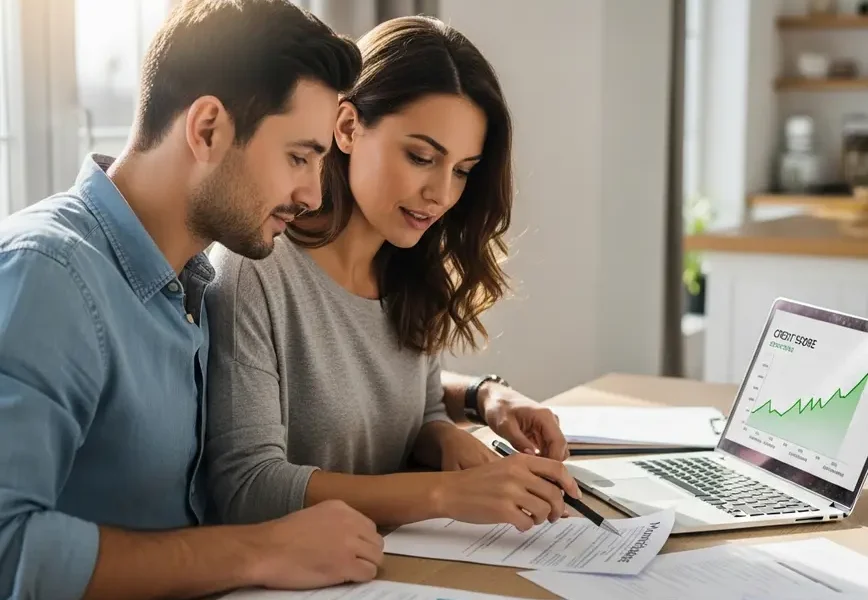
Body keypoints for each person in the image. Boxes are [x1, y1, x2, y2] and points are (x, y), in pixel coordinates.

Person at [0, 2, 388, 599]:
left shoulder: (192, 286)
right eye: (299, 157)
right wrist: (262, 550)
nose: (312, 193)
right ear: (207, 128)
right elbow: (7, 550)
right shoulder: (49, 275)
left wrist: (472, 394)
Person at [205, 15, 579, 533]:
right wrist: (445, 492)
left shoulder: (408, 266)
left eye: (463, 170)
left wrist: (446, 432)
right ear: (348, 127)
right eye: (421, 156)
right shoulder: (256, 271)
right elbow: (250, 488)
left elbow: (413, 413)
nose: (442, 194)